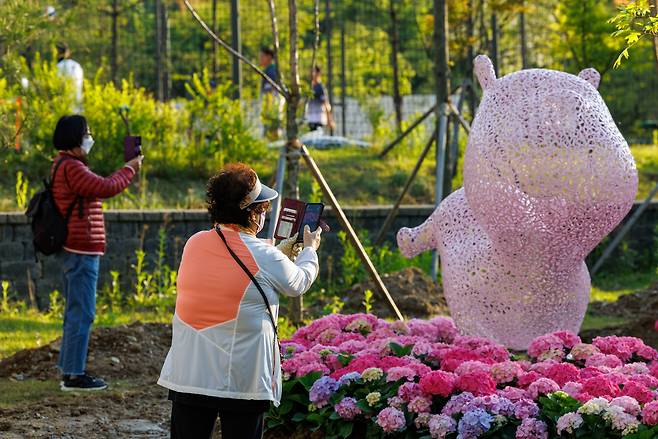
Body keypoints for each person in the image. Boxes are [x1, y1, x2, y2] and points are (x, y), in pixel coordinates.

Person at [158, 163, 322, 439]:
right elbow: (298, 282)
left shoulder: (194, 242)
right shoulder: (263, 255)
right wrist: (309, 250)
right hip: (240, 378)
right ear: (252, 214)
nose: (264, 215)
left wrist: (277, 252)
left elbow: (237, 258)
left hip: (190, 374)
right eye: (262, 208)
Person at [52, 115, 143, 391]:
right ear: (75, 138)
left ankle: (69, 369)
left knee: (76, 311)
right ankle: (74, 375)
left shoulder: (66, 164)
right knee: (83, 312)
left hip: (77, 249)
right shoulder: (72, 167)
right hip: (80, 251)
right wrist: (129, 169)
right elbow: (105, 187)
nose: (90, 138)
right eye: (86, 134)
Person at [259, 46, 285, 140]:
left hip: (272, 106)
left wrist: (267, 109)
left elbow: (271, 93)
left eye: (262, 56)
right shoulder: (269, 70)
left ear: (269, 57)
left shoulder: (271, 71)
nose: (260, 59)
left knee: (272, 131)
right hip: (272, 106)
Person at [305, 65, 335, 133]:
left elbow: (326, 103)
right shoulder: (309, 87)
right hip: (310, 119)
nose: (311, 73)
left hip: (318, 120)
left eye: (313, 71)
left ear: (318, 73)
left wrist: (329, 120)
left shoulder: (320, 87)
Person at [56, 43, 84, 107]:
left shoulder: (59, 66)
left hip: (65, 103)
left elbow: (57, 85)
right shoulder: (77, 65)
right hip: (78, 101)